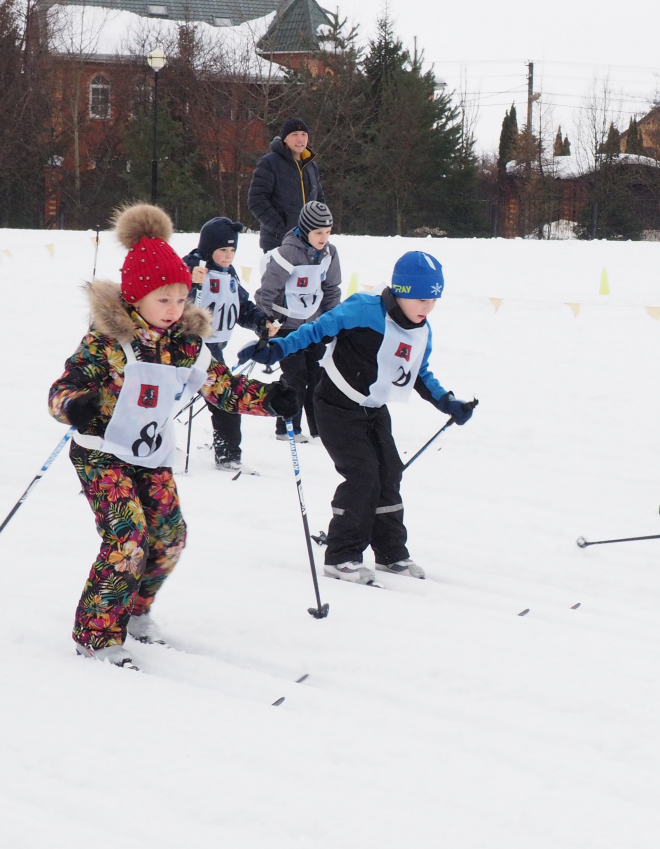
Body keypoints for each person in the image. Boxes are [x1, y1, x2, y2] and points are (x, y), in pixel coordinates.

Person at [48, 203, 298, 670]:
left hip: (151, 455)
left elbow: (221, 388)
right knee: (129, 538)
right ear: (136, 297)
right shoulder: (106, 341)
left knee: (170, 537)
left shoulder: (186, 344)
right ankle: (97, 633)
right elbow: (60, 391)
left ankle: (136, 613)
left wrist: (270, 400)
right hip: (101, 454)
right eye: (163, 300)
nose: (174, 309)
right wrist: (74, 406)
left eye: (181, 299)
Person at [240, 251, 476, 585]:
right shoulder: (364, 310)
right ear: (402, 291)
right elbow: (316, 330)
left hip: (374, 408)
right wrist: (278, 348)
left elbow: (418, 373)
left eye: (434, 301)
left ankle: (391, 553)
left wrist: (447, 402)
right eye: (422, 299)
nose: (427, 308)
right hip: (335, 404)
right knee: (363, 475)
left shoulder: (422, 332)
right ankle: (341, 555)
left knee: (390, 471)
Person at [183, 216, 277, 471]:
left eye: (232, 249)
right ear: (208, 248)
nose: (228, 255)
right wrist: (191, 280)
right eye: (223, 249)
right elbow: (172, 292)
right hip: (186, 349)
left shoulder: (229, 274)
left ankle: (228, 454)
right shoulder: (192, 267)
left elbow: (242, 307)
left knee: (226, 399)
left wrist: (262, 323)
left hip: (215, 350)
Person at [254, 200, 343, 442]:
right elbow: (265, 293)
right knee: (296, 376)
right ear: (305, 230)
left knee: (317, 377)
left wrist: (330, 321)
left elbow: (332, 289)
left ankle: (318, 429)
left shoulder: (329, 254)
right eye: (318, 233)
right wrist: (265, 323)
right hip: (285, 327)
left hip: (312, 327)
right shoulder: (287, 254)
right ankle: (287, 426)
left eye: (328, 232)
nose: (324, 238)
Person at [247, 117, 324, 263]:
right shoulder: (269, 163)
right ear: (285, 139)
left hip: (308, 243)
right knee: (278, 285)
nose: (300, 139)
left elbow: (319, 200)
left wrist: (320, 229)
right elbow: (256, 200)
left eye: (304, 135)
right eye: (294, 134)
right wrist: (281, 228)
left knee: (304, 285)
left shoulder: (311, 167)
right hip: (277, 243)